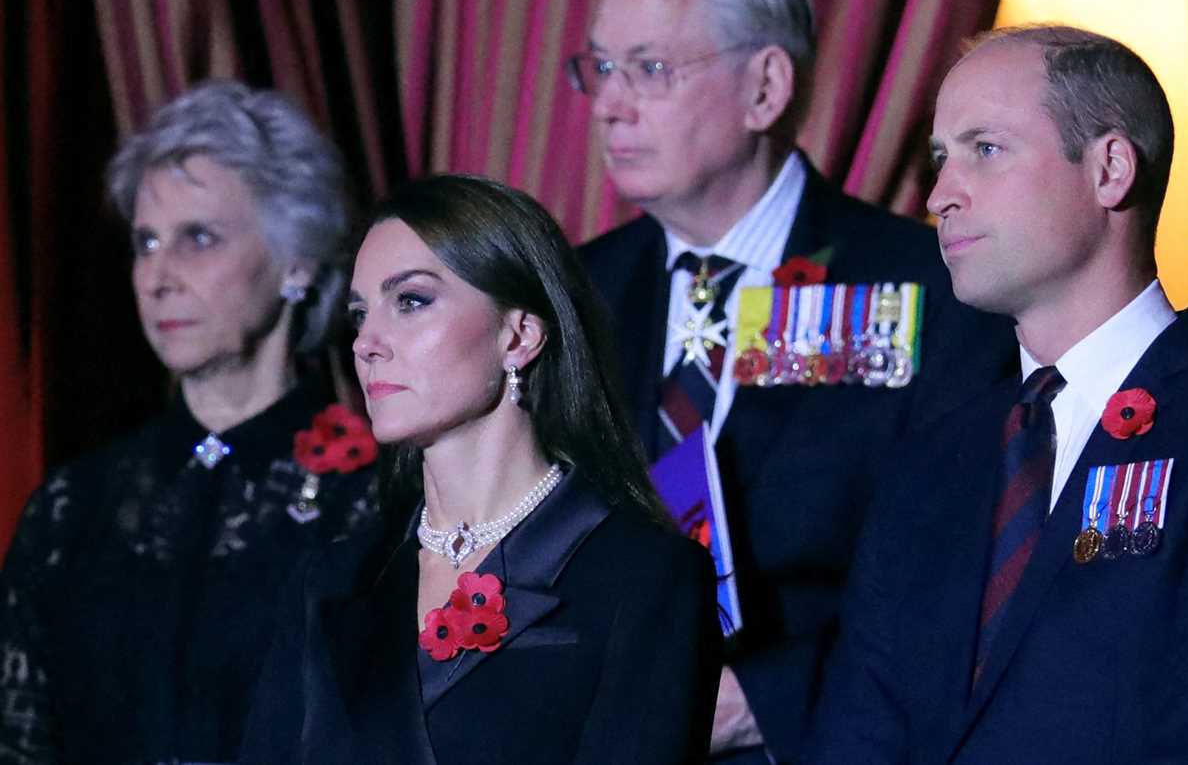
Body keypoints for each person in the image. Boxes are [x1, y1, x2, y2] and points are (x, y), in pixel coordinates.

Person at [571, 0, 1015, 762]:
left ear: (766, 87)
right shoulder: (574, 291)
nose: (609, 104)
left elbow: (961, 572)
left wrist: (764, 702)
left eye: (650, 69)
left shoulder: (929, 288)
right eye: (599, 68)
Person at [806, 26, 1188, 763]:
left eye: (984, 149)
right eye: (939, 159)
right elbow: (857, 732)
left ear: (1110, 170)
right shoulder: (931, 459)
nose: (939, 195)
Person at [240, 174, 721, 765]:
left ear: (518, 336)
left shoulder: (644, 578)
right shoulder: (329, 583)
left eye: (411, 301)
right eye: (361, 314)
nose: (367, 341)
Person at [0, 81, 380, 764]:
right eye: (146, 242)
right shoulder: (75, 506)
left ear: (296, 261)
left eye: (198, 238)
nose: (158, 275)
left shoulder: (378, 497)